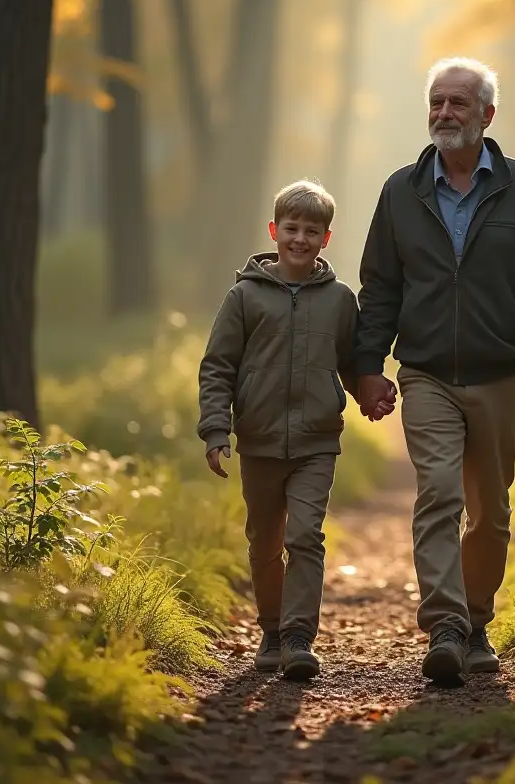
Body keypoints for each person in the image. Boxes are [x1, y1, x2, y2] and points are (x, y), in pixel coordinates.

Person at [355, 57, 515, 684]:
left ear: (487, 114)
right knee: (439, 494)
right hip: (424, 372)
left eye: (458, 103)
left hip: (500, 373)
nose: (444, 114)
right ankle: (446, 627)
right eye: (436, 102)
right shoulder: (401, 191)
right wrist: (368, 366)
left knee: (490, 510)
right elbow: (380, 286)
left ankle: (477, 620)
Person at [197, 180, 394, 681]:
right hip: (259, 441)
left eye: (312, 230)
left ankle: (299, 638)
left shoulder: (339, 300)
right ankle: (271, 628)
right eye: (292, 228)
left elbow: (350, 363)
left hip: (316, 441)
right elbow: (218, 366)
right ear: (274, 231)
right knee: (265, 540)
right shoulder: (244, 297)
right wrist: (216, 430)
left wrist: (369, 393)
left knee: (305, 535)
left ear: (326, 239)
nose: (300, 238)